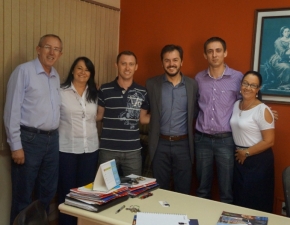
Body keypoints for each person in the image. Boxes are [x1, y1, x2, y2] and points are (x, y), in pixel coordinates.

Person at [3, 34, 63, 224]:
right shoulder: (23, 71)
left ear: (60, 54)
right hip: (29, 141)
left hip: (52, 141)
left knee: (47, 193)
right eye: (48, 47)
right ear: (38, 49)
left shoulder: (55, 76)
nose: (52, 52)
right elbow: (11, 110)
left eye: (56, 49)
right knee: (23, 196)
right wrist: (15, 146)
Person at [194, 37, 243, 203]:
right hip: (202, 140)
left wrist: (263, 110)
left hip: (226, 141)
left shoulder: (237, 77)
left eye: (218, 50)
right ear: (205, 55)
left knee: (226, 190)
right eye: (210, 51)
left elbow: (247, 101)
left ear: (225, 52)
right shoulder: (198, 79)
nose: (214, 55)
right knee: (202, 189)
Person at [146, 44, 198, 194]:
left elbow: (196, 110)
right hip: (159, 144)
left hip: (183, 145)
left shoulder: (192, 85)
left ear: (181, 62)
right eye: (167, 60)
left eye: (175, 60)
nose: (171, 64)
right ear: (162, 62)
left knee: (183, 190)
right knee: (159, 190)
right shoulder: (151, 84)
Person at [58, 57, 99, 225]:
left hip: (90, 149)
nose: (83, 72)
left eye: (87, 69)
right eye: (79, 68)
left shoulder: (95, 93)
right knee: (67, 192)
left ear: (91, 74)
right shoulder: (61, 91)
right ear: (73, 70)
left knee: (86, 193)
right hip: (67, 149)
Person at [96, 51, 150, 176]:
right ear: (116, 65)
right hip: (108, 151)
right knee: (106, 191)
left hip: (133, 152)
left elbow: (143, 119)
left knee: (134, 191)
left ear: (136, 67)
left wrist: (164, 115)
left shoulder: (143, 92)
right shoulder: (105, 89)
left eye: (131, 64)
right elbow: (98, 116)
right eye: (123, 64)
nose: (127, 68)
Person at [230, 71, 274, 213]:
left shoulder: (263, 109)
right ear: (241, 84)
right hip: (240, 158)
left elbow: (269, 141)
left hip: (258, 160)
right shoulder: (236, 104)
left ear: (258, 89)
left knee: (255, 202)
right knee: (239, 199)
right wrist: (242, 154)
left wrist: (247, 153)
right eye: (245, 83)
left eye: (253, 85)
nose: (248, 88)